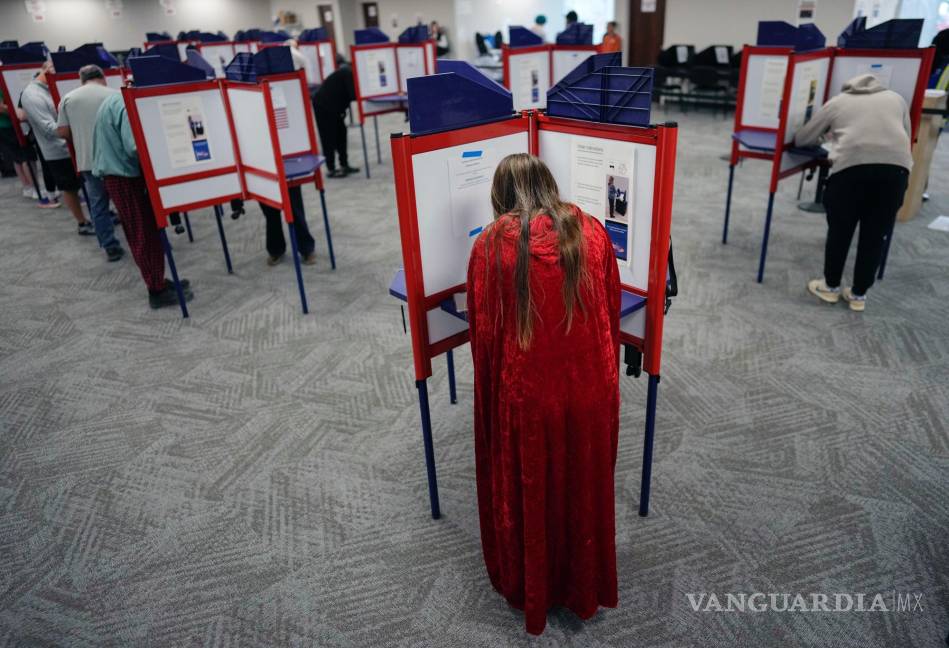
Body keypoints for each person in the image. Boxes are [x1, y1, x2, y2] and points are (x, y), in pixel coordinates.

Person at [466, 153, 620, 635]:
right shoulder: (592, 230)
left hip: (529, 396)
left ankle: (533, 587)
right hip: (590, 387)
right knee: (581, 484)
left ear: (499, 197)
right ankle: (582, 582)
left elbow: (484, 333)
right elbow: (611, 313)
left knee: (531, 492)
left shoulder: (491, 246)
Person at [795, 73, 912, 312]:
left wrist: (826, 136)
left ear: (848, 86)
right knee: (875, 234)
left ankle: (830, 287)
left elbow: (803, 139)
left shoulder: (838, 102)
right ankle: (859, 295)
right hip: (895, 173)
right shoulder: (896, 99)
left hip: (851, 171)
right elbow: (907, 135)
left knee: (840, 230)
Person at [92, 91, 194, 309]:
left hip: (120, 174)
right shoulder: (126, 104)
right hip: (124, 176)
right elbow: (135, 147)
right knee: (143, 233)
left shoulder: (118, 98)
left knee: (146, 230)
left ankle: (157, 280)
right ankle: (156, 291)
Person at [56, 65, 124, 262]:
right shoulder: (115, 94)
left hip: (88, 160)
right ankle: (137, 241)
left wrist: (80, 136)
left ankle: (110, 246)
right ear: (102, 77)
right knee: (125, 203)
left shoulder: (69, 98)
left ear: (81, 79)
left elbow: (62, 132)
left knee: (98, 205)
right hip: (117, 160)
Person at [19, 60, 95, 234]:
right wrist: (79, 131)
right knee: (69, 187)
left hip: (78, 145)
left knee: (90, 183)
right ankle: (82, 223)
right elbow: (47, 127)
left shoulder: (59, 86)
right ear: (45, 70)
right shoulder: (31, 94)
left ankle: (99, 216)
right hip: (58, 150)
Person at [0, 87, 47, 203]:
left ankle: (28, 187)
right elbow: (1, 107)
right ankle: (35, 188)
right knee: (27, 156)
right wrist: (17, 111)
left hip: (5, 126)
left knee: (17, 157)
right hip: (9, 125)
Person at [312, 64, 359, 177]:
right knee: (328, 136)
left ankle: (344, 164)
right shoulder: (348, 73)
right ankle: (331, 168)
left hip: (335, 106)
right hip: (323, 105)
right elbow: (353, 95)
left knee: (341, 134)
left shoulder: (348, 72)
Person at [258, 186, 317, 266]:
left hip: (288, 177)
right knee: (270, 212)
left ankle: (306, 248)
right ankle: (275, 249)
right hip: (263, 179)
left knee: (295, 208)